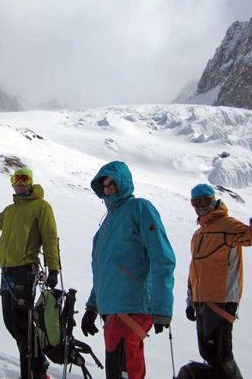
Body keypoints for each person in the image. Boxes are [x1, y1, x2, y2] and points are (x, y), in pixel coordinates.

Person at [80, 160, 176, 379]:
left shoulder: (140, 208)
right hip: (112, 310)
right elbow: (104, 270)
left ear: (125, 182)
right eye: (105, 184)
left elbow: (163, 256)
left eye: (113, 182)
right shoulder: (107, 222)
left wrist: (162, 307)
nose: (109, 188)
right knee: (116, 370)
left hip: (134, 305)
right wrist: (93, 306)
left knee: (126, 370)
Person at [0, 167, 60, 379]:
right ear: (12, 183)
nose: (20, 183)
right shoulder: (10, 210)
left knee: (22, 327)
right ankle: (38, 369)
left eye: (24, 179)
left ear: (30, 183)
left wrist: (53, 268)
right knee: (12, 324)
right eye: (16, 179)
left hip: (24, 271)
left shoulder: (41, 207)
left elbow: (49, 238)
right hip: (7, 272)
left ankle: (34, 372)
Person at [185, 184, 252, 379]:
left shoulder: (227, 226)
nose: (201, 206)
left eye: (205, 201)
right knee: (207, 353)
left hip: (221, 301)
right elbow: (194, 271)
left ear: (213, 200)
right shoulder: (197, 235)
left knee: (220, 355)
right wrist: (191, 302)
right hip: (202, 302)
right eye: (196, 202)